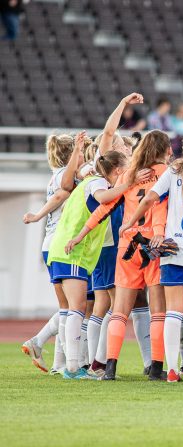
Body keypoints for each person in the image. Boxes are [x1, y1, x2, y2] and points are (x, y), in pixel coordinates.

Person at [120, 134, 183, 383]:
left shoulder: (174, 172)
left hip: (174, 248)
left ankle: (173, 370)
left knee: (174, 312)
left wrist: (130, 222)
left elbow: (149, 199)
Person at [75, 130, 172, 381]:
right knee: (158, 311)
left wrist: (81, 234)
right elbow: (160, 207)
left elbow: (105, 207)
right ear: (164, 150)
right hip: (154, 245)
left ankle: (109, 368)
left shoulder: (129, 175)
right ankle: (156, 369)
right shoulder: (166, 174)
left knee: (119, 311)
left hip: (127, 248)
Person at [49, 134, 129, 379]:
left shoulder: (89, 180)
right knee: (77, 308)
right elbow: (103, 198)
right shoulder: (97, 182)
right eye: (124, 171)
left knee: (75, 308)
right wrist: (128, 185)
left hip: (66, 248)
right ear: (115, 171)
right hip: (72, 251)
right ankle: (73, 367)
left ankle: (73, 364)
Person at [20, 134, 75, 374]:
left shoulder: (55, 176)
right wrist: (38, 215)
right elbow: (61, 196)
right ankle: (65, 363)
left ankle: (49, 355)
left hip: (50, 243)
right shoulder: (66, 176)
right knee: (76, 306)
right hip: (63, 244)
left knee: (67, 307)